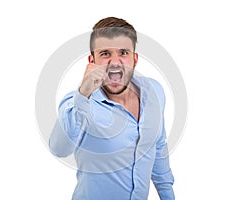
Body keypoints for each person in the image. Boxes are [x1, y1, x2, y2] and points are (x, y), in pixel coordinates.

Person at [49, 17, 175, 200]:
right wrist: (83, 94)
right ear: (92, 61)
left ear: (135, 59)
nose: (115, 62)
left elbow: (158, 146)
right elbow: (59, 149)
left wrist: (167, 195)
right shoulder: (76, 103)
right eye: (105, 53)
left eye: (123, 52)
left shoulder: (154, 91)